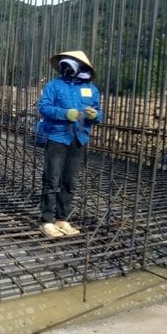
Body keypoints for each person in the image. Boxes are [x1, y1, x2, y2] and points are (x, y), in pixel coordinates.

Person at [38, 50, 102, 238]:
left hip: (79, 138)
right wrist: (64, 114)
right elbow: (44, 107)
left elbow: (99, 113)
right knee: (52, 179)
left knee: (69, 181)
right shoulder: (55, 85)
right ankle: (47, 221)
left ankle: (62, 219)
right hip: (57, 137)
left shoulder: (91, 89)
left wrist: (94, 115)